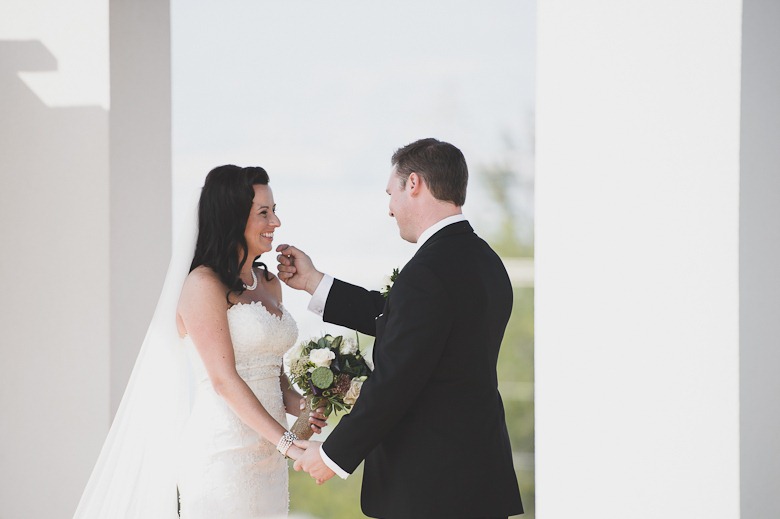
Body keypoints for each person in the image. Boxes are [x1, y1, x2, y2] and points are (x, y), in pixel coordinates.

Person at [276, 138, 524, 518]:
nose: (390, 209)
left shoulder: (429, 271)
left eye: (391, 192)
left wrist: (332, 455)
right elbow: (402, 319)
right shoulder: (484, 261)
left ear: (414, 184)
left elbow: (397, 378)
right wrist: (315, 282)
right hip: (479, 478)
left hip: (431, 489)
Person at [74, 165, 327, 519]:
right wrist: (286, 443)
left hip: (270, 456)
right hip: (223, 455)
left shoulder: (268, 283)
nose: (276, 222)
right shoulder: (202, 285)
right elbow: (223, 380)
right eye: (264, 213)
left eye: (275, 210)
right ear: (232, 217)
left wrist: (305, 406)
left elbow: (275, 375)